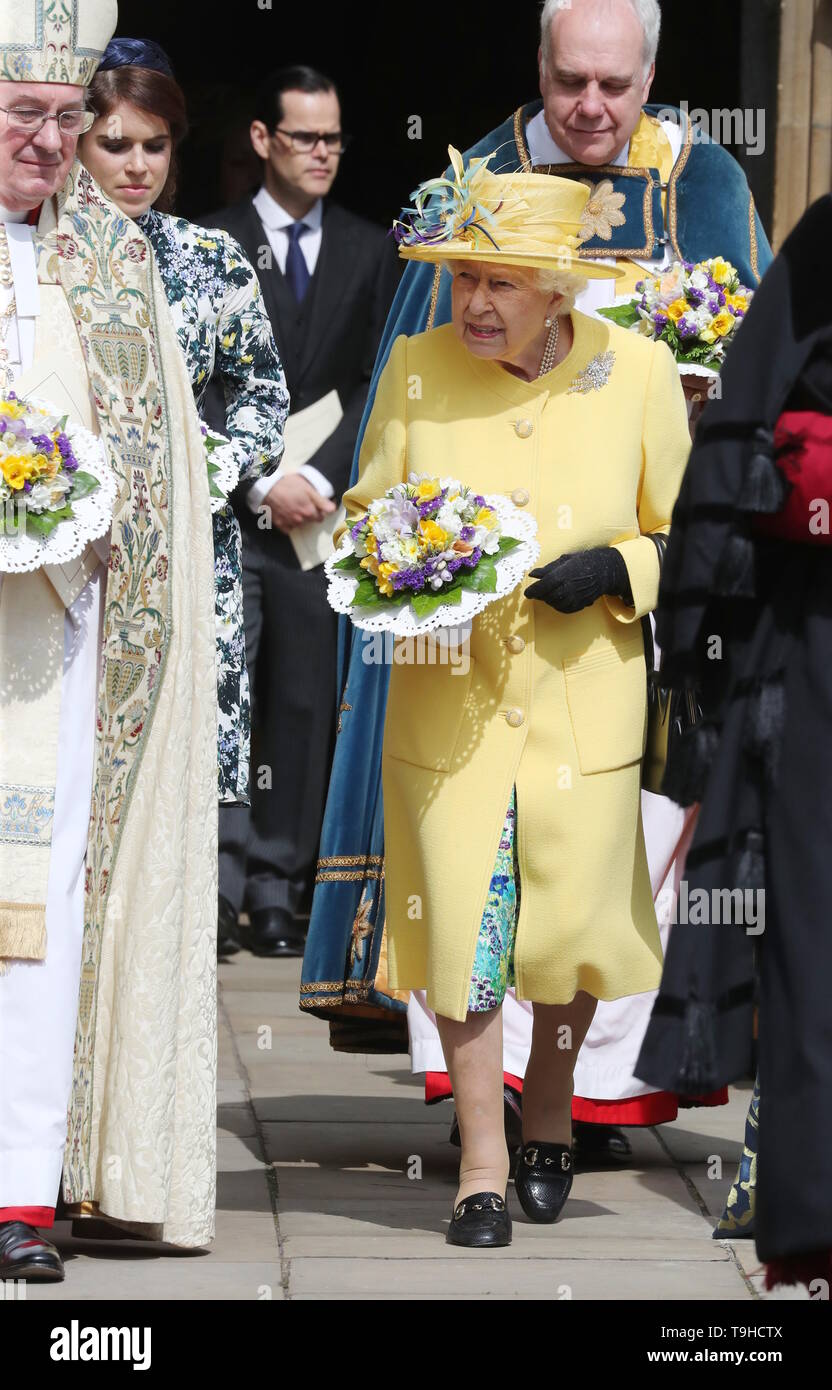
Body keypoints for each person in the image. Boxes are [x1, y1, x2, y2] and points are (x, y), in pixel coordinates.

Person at [303, 0, 767, 1155]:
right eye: (570, 82)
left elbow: (757, 369)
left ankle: (591, 1096)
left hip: (624, 596)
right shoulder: (475, 185)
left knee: (598, 865)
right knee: (466, 862)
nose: (592, 108)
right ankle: (482, 1122)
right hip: (464, 624)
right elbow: (395, 410)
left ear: (652, 77)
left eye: (616, 85)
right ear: (540, 70)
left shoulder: (705, 179)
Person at [335, 152, 690, 1246]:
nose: (473, 304)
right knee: (466, 929)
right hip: (451, 699)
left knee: (571, 931)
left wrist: (621, 573)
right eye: (461, 281)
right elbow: (362, 516)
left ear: (557, 289)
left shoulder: (635, 370)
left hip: (584, 697)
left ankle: (552, 1105)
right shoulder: (414, 367)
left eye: (499, 284)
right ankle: (481, 1164)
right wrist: (399, 565)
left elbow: (682, 534)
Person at [0, 0, 218, 1280]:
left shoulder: (111, 262)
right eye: (22, 116)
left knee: (35, 914)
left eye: (62, 118)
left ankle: (22, 1188)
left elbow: (152, 462)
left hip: (67, 646)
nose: (49, 141)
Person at [636, 194, 832, 1292]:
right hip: (819, 646)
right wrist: (700, 657)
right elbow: (751, 429)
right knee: (814, 937)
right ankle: (815, 1228)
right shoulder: (827, 241)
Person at [80, 38, 290, 955]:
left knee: (169, 799)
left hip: (186, 567)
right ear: (76, 142)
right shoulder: (36, 262)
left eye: (154, 146)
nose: (136, 166)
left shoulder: (212, 259)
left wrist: (206, 463)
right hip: (63, 561)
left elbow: (264, 393)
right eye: (115, 143)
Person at [207, 65, 400, 958]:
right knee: (220, 694)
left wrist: (319, 478)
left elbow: (379, 376)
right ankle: (215, 885)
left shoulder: (370, 246)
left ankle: (281, 891)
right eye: (304, 138)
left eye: (333, 139)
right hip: (224, 508)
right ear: (261, 140)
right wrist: (254, 480)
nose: (322, 153)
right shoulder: (207, 242)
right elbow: (192, 377)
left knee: (299, 702)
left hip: (316, 518)